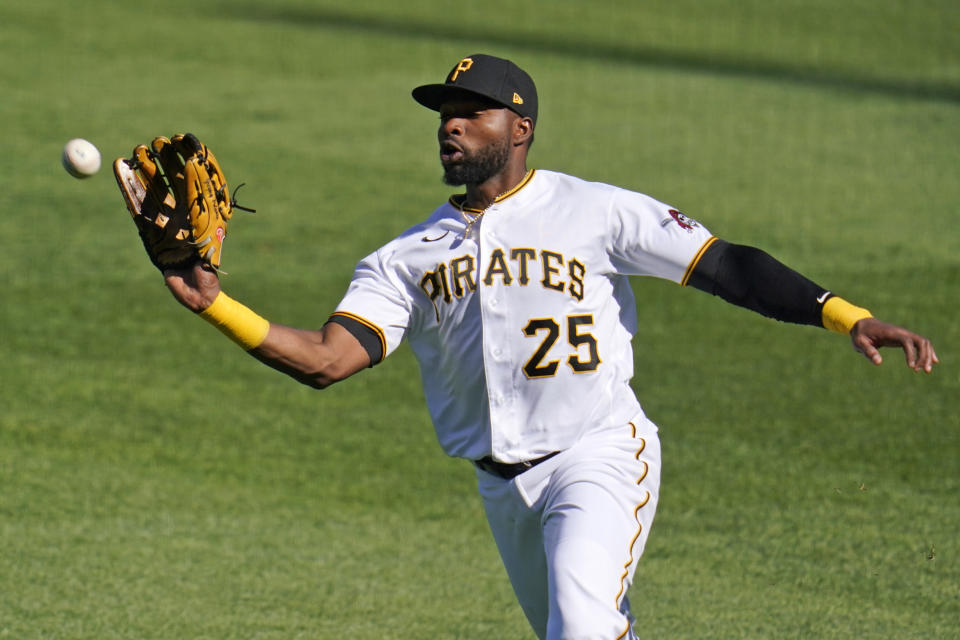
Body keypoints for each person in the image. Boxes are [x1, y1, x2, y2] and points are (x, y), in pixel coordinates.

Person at [162, 54, 938, 639]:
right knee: (593, 627)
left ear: (521, 128)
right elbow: (328, 360)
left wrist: (845, 314)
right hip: (503, 491)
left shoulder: (595, 211)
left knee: (580, 625)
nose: (451, 124)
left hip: (598, 455)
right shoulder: (405, 257)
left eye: (473, 111)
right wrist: (216, 305)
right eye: (445, 112)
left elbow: (726, 265)